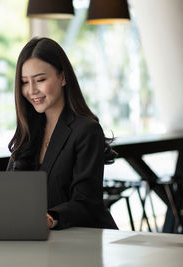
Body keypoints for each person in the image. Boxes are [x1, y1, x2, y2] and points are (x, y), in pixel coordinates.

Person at [7, 37, 118, 230]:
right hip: (40, 241)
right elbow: (8, 192)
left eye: (40, 80)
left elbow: (86, 202)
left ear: (63, 77)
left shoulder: (86, 130)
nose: (32, 90)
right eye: (25, 82)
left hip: (85, 241)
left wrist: (51, 218)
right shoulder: (29, 132)